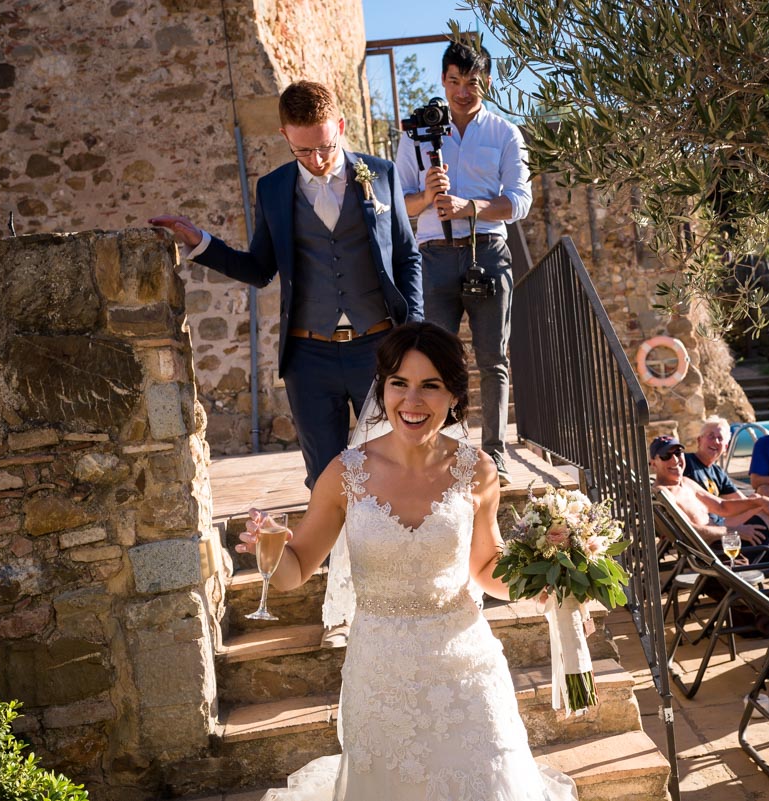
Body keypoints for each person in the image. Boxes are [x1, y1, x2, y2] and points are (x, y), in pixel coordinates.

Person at [237, 322, 577, 801]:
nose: (411, 401)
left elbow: (484, 567)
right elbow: (295, 569)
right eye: (399, 383)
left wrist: (540, 579)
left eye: (429, 386)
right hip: (380, 676)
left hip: (466, 669)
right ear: (383, 389)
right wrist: (269, 550)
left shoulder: (476, 469)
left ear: (454, 396)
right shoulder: (344, 474)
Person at [151, 80, 423, 491]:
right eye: (302, 150)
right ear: (284, 136)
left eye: (326, 147)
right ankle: (335, 558)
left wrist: (414, 335)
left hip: (377, 349)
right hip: (309, 358)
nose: (316, 159)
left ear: (341, 126)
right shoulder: (273, 189)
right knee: (326, 483)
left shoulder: (381, 175)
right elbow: (261, 269)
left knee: (392, 472)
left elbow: (407, 257)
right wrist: (201, 243)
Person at [396, 41, 532, 486]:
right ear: (443, 81)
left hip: (488, 253)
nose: (461, 92)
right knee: (436, 362)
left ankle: (495, 458)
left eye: (471, 83)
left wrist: (469, 206)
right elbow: (400, 204)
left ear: (486, 82)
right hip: (432, 257)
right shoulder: (416, 134)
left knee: (493, 359)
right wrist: (428, 198)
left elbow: (520, 202)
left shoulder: (505, 133)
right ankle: (446, 455)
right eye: (454, 82)